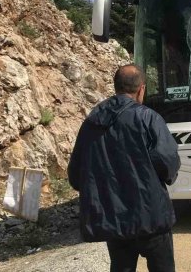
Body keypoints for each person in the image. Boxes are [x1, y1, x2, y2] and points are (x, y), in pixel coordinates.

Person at [68, 64, 181, 272]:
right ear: (141, 89)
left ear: (115, 87)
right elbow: (167, 163)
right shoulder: (148, 118)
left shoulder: (92, 121)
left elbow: (76, 176)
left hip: (115, 221)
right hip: (152, 219)